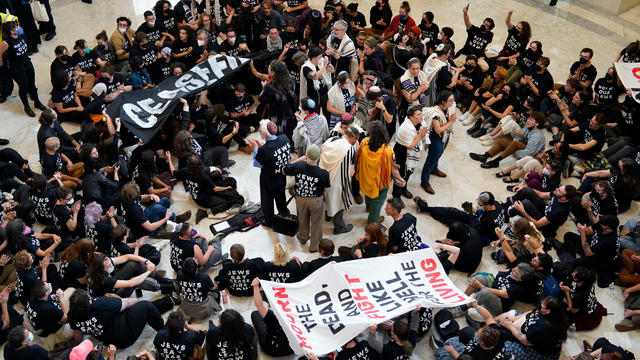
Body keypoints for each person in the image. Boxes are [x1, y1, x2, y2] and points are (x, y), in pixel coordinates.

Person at [68, 289, 164, 349]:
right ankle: (164, 331)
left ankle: (167, 302)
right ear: (89, 302)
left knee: (148, 308)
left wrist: (78, 345)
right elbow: (127, 302)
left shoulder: (72, 315)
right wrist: (138, 302)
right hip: (126, 334)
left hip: (110, 342)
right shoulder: (100, 304)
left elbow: (77, 333)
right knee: (146, 305)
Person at [355, 121, 405, 224]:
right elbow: (394, 169)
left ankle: (369, 207)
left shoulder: (364, 142)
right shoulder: (388, 150)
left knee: (368, 195)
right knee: (377, 203)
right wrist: (400, 179)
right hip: (379, 183)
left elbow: (357, 158)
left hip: (365, 178)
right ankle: (373, 221)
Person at [283, 144, 330, 252]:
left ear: (307, 155)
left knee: (302, 219)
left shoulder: (298, 167)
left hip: (300, 198)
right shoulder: (323, 173)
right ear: (319, 157)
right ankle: (314, 246)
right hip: (315, 200)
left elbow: (284, 170)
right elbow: (327, 188)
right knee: (316, 223)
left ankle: (303, 238)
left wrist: (298, 159)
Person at [415, 191, 505, 244]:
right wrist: (471, 210)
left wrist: (470, 213)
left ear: (488, 205)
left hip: (481, 234)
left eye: (480, 204)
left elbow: (475, 226)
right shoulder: (496, 204)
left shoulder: (489, 220)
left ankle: (427, 209)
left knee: (453, 223)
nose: (478, 204)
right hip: (481, 223)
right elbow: (481, 213)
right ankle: (425, 208)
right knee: (452, 211)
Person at [0, 21, 47, 117]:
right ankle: (27, 107)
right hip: (17, 68)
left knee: (32, 84)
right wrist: (1, 60)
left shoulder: (21, 36)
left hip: (27, 63)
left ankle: (37, 102)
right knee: (23, 87)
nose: (19, 28)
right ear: (11, 31)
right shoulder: (6, 42)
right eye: (16, 27)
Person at [470, 111, 546, 169]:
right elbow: (519, 138)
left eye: (531, 120)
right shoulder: (528, 127)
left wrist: (515, 152)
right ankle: (485, 156)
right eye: (529, 118)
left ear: (537, 124)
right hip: (524, 147)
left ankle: (495, 162)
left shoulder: (537, 136)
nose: (528, 120)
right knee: (502, 141)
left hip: (532, 156)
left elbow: (529, 153)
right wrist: (513, 145)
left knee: (515, 144)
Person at [498, 296, 569, 360]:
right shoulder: (552, 312)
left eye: (542, 306)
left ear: (548, 311)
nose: (540, 306)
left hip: (538, 351)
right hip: (529, 330)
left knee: (502, 345)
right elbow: (532, 312)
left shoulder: (544, 327)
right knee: (508, 315)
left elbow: (525, 340)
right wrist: (514, 319)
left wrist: (510, 326)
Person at [250, 120, 291, 228]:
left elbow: (257, 163)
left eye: (260, 130)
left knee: (267, 201)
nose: (259, 131)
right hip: (281, 174)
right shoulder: (284, 138)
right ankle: (284, 213)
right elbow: (275, 152)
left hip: (268, 178)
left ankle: (269, 221)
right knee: (281, 196)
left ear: (264, 134)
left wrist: (256, 149)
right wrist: (262, 147)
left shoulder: (264, 150)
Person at [319, 126, 358, 234]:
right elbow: (351, 172)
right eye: (356, 139)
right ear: (353, 137)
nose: (355, 142)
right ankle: (339, 227)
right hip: (338, 181)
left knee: (328, 198)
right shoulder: (350, 149)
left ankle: (327, 216)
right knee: (338, 203)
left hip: (324, 176)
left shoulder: (330, 140)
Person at [506, 185, 576, 239]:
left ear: (564, 198)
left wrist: (522, 211)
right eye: (559, 188)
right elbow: (541, 194)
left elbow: (537, 224)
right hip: (545, 211)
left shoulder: (559, 211)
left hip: (545, 226)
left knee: (525, 204)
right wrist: (524, 186)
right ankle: (507, 204)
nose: (556, 189)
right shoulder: (558, 194)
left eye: (559, 191)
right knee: (527, 190)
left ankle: (507, 214)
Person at [420, 91, 456, 194]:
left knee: (439, 154)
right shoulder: (435, 114)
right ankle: (424, 182)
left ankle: (434, 169)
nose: (452, 102)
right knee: (431, 159)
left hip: (445, 135)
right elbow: (438, 130)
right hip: (436, 138)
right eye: (450, 100)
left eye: (453, 99)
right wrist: (451, 122)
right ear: (443, 102)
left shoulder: (448, 108)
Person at [250, 278, 294, 357]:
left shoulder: (273, 318)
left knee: (255, 314)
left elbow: (259, 305)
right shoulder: (298, 320)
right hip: (291, 350)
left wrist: (255, 286)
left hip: (270, 349)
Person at [25, 281, 74, 350]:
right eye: (48, 286)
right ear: (46, 293)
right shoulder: (47, 308)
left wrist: (54, 297)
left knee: (71, 290)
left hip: (43, 321)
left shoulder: (33, 296)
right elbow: (67, 319)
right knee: (77, 323)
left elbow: (50, 298)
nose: (49, 284)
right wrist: (61, 298)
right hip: (56, 330)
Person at [392, 105, 427, 200]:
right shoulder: (404, 129)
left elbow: (424, 133)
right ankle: (396, 196)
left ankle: (403, 189)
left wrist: (423, 138)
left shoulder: (421, 122)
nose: (421, 116)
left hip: (412, 153)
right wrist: (420, 134)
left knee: (409, 172)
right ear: (411, 117)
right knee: (400, 175)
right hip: (402, 154)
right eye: (418, 114)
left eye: (421, 113)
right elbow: (410, 145)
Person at [559, 266, 608, 331]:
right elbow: (578, 291)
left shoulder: (580, 296)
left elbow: (573, 310)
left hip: (586, 315)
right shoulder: (589, 283)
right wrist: (570, 290)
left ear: (578, 280)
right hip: (590, 305)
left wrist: (567, 292)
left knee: (561, 317)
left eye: (574, 274)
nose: (572, 273)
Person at [454, 4, 494, 72]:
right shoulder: (474, 29)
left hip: (477, 57)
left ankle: (468, 68)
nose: (484, 25)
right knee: (455, 62)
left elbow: (486, 44)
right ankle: (470, 68)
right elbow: (467, 22)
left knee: (485, 67)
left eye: (486, 25)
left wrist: (483, 49)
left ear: (489, 29)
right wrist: (465, 13)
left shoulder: (490, 35)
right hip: (466, 54)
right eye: (484, 23)